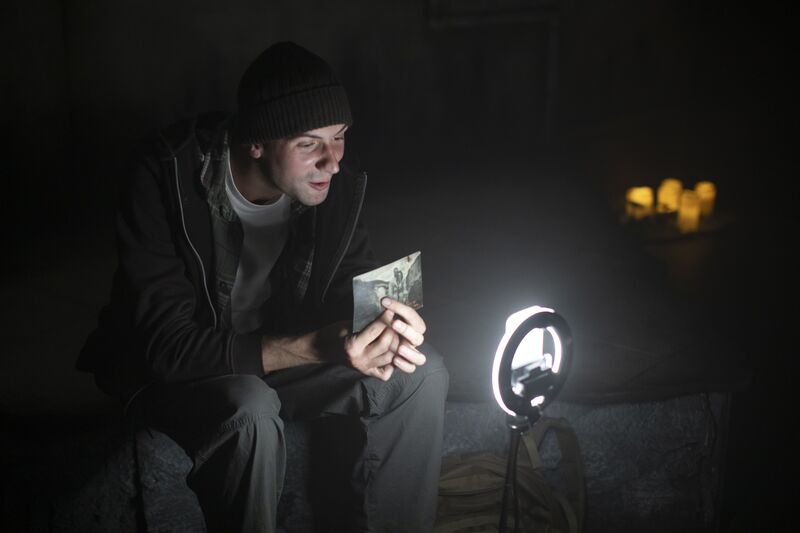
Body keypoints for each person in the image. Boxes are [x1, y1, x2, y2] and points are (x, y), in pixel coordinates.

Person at [77, 41, 449, 533]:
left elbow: (346, 281)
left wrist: (381, 323)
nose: (332, 161)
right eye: (308, 143)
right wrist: (320, 345)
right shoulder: (164, 174)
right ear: (256, 141)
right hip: (181, 374)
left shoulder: (335, 183)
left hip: (281, 364)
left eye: (339, 137)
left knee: (422, 375)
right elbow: (168, 348)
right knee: (250, 410)